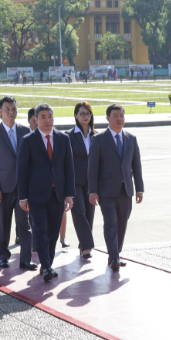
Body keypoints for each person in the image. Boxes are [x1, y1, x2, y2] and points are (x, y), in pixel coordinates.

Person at [16, 104, 74, 282]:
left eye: (50, 116)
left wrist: (69, 194)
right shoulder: (28, 140)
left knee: (53, 232)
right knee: (40, 230)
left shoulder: (63, 139)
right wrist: (23, 197)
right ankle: (47, 265)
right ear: (36, 119)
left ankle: (47, 262)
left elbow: (68, 168)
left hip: (58, 194)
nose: (47, 120)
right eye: (43, 117)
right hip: (37, 195)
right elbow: (22, 170)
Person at [88, 104, 144, 270]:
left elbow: (137, 166)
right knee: (110, 222)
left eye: (121, 116)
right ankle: (113, 258)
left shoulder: (131, 139)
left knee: (122, 223)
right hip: (106, 190)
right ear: (107, 118)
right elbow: (92, 167)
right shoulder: (98, 139)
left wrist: (139, 188)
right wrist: (92, 191)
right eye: (115, 116)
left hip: (125, 190)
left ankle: (116, 253)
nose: (119, 119)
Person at [0, 96, 34, 269]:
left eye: (13, 109)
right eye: (7, 109)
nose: (11, 112)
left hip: (23, 188)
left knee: (25, 224)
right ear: (0, 112)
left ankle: (25, 259)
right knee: (3, 224)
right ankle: (3, 255)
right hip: (3, 188)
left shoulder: (25, 131)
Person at [68, 102, 96, 259]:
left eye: (88, 114)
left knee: (89, 213)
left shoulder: (96, 135)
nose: (85, 116)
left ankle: (83, 243)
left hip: (92, 182)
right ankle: (87, 246)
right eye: (82, 113)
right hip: (74, 181)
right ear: (76, 116)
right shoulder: (69, 136)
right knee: (79, 212)